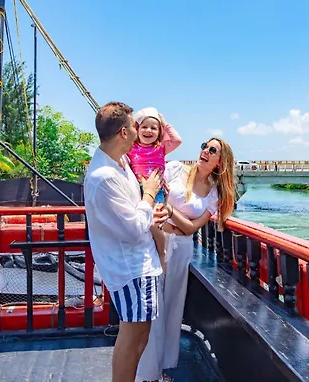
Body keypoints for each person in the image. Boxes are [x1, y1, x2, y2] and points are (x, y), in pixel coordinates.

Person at [136, 138, 235, 382]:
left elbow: (191, 228)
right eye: (204, 146)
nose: (205, 151)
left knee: (172, 307)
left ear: (220, 161)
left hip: (181, 248)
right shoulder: (175, 169)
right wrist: (174, 218)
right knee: (153, 304)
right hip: (156, 239)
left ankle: (163, 367)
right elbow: (153, 194)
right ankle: (147, 371)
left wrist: (170, 211)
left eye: (212, 150)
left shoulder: (213, 193)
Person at [84, 102, 168, 382]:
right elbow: (132, 229)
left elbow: (133, 212)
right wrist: (149, 194)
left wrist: (150, 208)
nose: (138, 129)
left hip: (139, 263)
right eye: (134, 125)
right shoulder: (105, 177)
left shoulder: (120, 164)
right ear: (123, 132)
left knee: (139, 337)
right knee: (132, 340)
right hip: (130, 268)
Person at [127, 106, 182, 269]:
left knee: (154, 223)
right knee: (140, 223)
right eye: (144, 127)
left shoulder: (160, 148)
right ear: (137, 129)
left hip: (157, 191)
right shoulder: (131, 148)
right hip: (138, 191)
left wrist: (164, 123)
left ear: (160, 132)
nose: (148, 131)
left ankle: (161, 253)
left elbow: (177, 140)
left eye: (154, 128)